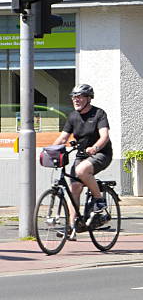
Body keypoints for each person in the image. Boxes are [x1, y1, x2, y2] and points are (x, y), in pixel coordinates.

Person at [52, 84, 113, 240]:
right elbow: (63, 138)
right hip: (81, 155)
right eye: (73, 97)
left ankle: (99, 200)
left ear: (88, 98)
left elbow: (104, 136)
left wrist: (95, 147)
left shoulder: (98, 114)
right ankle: (72, 228)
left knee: (81, 171)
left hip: (101, 154)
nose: (75, 99)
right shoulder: (73, 116)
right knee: (74, 188)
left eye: (79, 96)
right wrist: (50, 150)